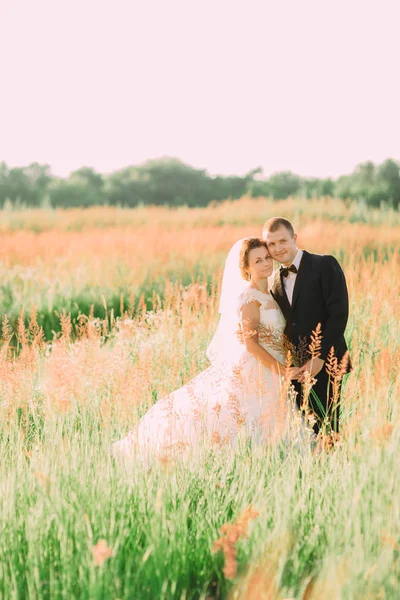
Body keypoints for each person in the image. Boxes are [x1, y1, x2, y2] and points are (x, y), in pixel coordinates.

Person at [111, 237, 313, 461]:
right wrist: (282, 371)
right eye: (258, 261)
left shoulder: (272, 294)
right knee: (242, 416)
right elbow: (251, 344)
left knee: (274, 419)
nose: (266, 263)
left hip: (274, 367)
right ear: (246, 268)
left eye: (267, 257)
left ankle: (274, 461)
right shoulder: (250, 298)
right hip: (258, 367)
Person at [263, 217, 351, 435]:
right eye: (271, 244)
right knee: (304, 433)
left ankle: (333, 468)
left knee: (328, 429)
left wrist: (319, 358)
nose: (278, 248)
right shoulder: (273, 281)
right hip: (295, 370)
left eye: (282, 241)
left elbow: (339, 314)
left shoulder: (324, 264)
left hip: (328, 364)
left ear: (294, 238)